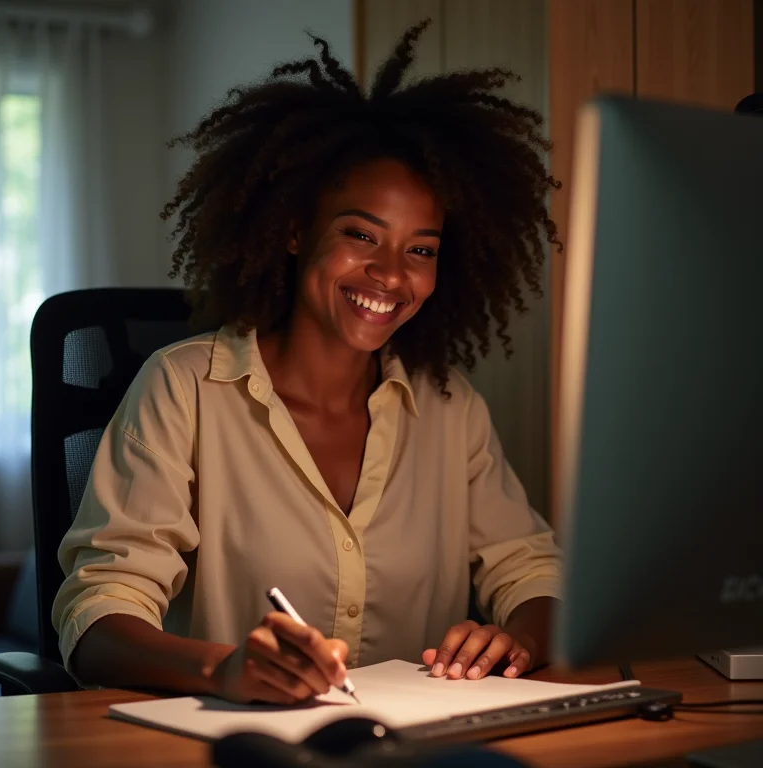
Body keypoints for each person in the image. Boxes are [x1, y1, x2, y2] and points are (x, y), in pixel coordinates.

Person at [52, 19, 563, 705]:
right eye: (360, 234)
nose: (389, 275)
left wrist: (524, 636)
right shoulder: (185, 389)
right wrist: (224, 669)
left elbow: (531, 569)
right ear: (294, 231)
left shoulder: (450, 406)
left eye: (421, 249)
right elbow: (97, 620)